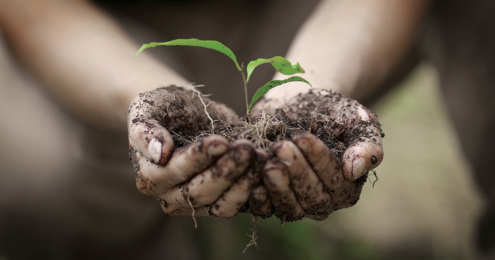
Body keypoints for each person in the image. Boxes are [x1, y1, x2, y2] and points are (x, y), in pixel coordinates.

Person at [0, 0, 493, 259]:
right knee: (37, 171)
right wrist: (156, 101)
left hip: (307, 27)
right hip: (106, 48)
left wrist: (312, 85)